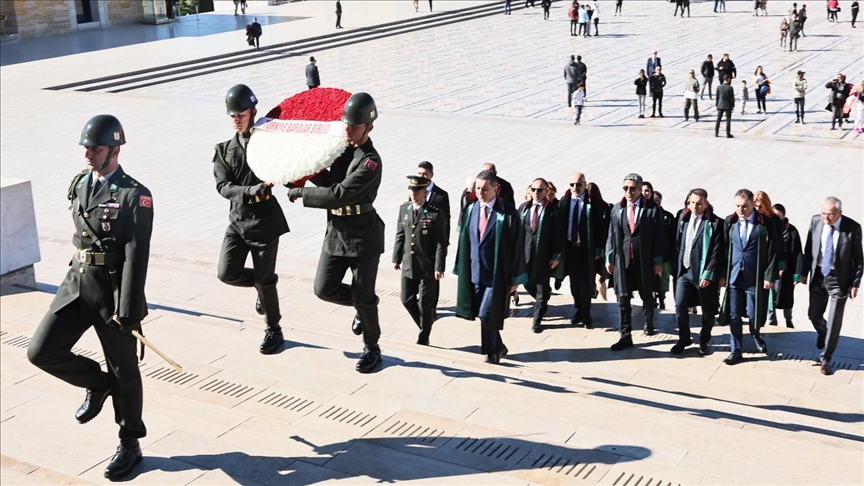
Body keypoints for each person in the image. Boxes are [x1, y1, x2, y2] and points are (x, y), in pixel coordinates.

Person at [27, 115, 153, 481]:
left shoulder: (134, 195)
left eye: (95, 148)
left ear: (115, 150)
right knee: (41, 351)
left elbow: (136, 253)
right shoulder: (79, 184)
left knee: (125, 370)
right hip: (76, 284)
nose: (88, 154)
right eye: (86, 148)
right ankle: (96, 384)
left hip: (111, 293)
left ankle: (130, 444)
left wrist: (129, 309)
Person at [285, 92, 385, 373]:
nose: (348, 129)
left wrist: (303, 192)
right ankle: (363, 302)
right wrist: (298, 172)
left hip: (364, 236)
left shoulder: (370, 162)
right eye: (346, 124)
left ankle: (371, 348)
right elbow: (328, 179)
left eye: (354, 126)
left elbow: (340, 193)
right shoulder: (343, 151)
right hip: (337, 232)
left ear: (369, 127)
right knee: (324, 289)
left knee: (363, 298)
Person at [214, 85, 289, 355]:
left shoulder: (267, 141)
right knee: (227, 272)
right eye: (232, 114)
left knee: (265, 279)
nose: (236, 118)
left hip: (265, 221)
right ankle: (262, 287)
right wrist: (249, 191)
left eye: (241, 113)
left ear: (252, 111)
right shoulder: (224, 150)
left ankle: (274, 329)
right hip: (238, 221)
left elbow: (287, 165)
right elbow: (223, 186)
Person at [453, 170, 527, 364]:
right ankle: (499, 347)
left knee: (487, 314)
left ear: (496, 188)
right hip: (476, 273)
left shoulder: (507, 213)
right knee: (483, 314)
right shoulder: (471, 208)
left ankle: (491, 352)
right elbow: (465, 240)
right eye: (478, 188)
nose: (480, 193)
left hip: (497, 275)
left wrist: (515, 280)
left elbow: (516, 247)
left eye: (485, 189)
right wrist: (461, 267)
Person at [800, 197, 862, 375]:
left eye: (830, 215)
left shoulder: (852, 228)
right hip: (818, 275)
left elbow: (859, 259)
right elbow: (808, 249)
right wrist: (804, 272)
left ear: (839, 213)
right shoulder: (816, 221)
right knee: (813, 315)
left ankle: (826, 358)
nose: (826, 218)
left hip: (838, 279)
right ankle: (824, 333)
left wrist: (855, 283)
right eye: (823, 214)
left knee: (835, 319)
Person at [606, 173, 665, 350]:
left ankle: (648, 323)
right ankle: (625, 335)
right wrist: (610, 257)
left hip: (644, 260)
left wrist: (658, 260)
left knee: (646, 295)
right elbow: (611, 234)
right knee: (623, 298)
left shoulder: (652, 209)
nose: (629, 192)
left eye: (632, 188)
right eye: (626, 188)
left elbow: (659, 237)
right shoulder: (618, 208)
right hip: (623, 260)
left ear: (640, 189)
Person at [718, 189, 778, 365]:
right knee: (734, 315)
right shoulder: (730, 222)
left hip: (754, 277)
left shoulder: (765, 224)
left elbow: (773, 251)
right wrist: (722, 274)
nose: (740, 210)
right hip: (735, 276)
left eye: (744, 206)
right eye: (737, 206)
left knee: (754, 314)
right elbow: (724, 249)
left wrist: (769, 276)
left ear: (753, 204)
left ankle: (755, 333)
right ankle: (736, 350)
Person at [393, 176, 447, 346]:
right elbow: (400, 234)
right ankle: (426, 324)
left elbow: (440, 243)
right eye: (411, 190)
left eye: (417, 191)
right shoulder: (404, 209)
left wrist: (439, 266)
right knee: (406, 299)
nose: (413, 194)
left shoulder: (434, 212)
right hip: (409, 264)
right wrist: (396, 258)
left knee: (425, 303)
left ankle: (424, 334)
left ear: (424, 192)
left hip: (427, 266)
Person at [671, 188, 725, 355]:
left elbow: (717, 251)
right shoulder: (682, 216)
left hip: (703, 274)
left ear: (706, 203)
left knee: (707, 310)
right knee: (680, 305)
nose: (694, 206)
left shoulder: (715, 223)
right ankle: (684, 338)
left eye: (699, 203)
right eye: (692, 202)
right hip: (684, 272)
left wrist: (709, 274)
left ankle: (704, 339)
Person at [560, 172, 607, 328]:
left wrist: (598, 252)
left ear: (584, 185)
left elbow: (601, 229)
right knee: (574, 283)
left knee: (585, 283)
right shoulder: (565, 201)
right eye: (572, 184)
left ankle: (586, 314)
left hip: (586, 250)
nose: (575, 188)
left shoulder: (592, 202)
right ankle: (578, 309)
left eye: (579, 184)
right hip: (570, 248)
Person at [517, 179, 561, 333]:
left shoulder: (553, 210)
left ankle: (537, 320)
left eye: (540, 190)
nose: (536, 193)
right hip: (526, 255)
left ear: (546, 191)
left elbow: (558, 235)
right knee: (527, 283)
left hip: (544, 256)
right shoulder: (524, 208)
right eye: (534, 189)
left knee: (542, 287)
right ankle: (543, 300)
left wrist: (556, 256)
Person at [767, 203, 801, 328]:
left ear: (783, 215)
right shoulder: (771, 228)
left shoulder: (791, 231)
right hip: (772, 269)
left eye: (778, 215)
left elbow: (797, 253)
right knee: (771, 296)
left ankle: (788, 319)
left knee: (787, 297)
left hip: (787, 272)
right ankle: (772, 320)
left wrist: (797, 275)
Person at [651, 189, 677, 310]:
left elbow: (673, 237)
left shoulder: (668, 216)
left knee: (663, 281)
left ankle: (662, 300)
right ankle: (652, 300)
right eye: (653, 201)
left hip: (664, 255)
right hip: (650, 255)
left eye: (657, 201)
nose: (655, 203)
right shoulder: (648, 214)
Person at [417, 161, 451, 244]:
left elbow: (446, 219)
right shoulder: (415, 192)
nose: (421, 176)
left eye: (424, 174)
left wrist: (445, 242)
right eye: (419, 173)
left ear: (431, 175)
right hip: (418, 239)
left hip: (434, 239)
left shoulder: (441, 195)